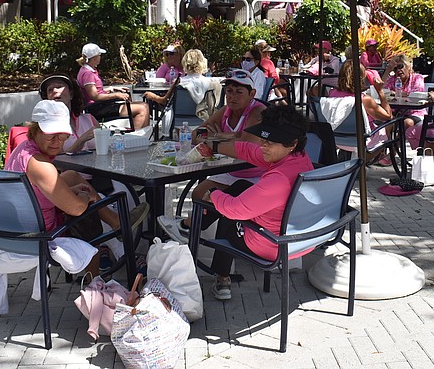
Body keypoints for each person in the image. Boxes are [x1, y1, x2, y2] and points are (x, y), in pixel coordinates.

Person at [4, 100, 148, 276]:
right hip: (41, 233)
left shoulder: (22, 149)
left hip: (22, 219)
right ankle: (93, 283)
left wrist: (75, 192)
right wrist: (87, 197)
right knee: (87, 214)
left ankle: (115, 222)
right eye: (51, 135)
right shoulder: (40, 165)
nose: (57, 142)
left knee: (71, 176)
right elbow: (77, 208)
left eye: (62, 135)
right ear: (35, 130)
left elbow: (37, 190)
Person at [192, 105, 313, 300]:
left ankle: (221, 277)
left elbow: (234, 210)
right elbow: (248, 150)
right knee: (240, 185)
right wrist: (212, 145)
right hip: (299, 236)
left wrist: (213, 193)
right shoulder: (297, 157)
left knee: (228, 214)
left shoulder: (279, 179)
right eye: (263, 139)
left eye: (270, 142)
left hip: (273, 245)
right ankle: (197, 224)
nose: (263, 145)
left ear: (292, 143)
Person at [158, 71, 267, 244]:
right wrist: (226, 137)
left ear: (252, 94)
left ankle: (191, 230)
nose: (232, 97)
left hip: (255, 173)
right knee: (199, 194)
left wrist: (221, 136)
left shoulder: (258, 111)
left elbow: (247, 142)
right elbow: (196, 134)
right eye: (229, 91)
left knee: (217, 200)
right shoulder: (225, 111)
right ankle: (191, 232)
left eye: (239, 92)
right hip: (231, 169)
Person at [76, 43, 150, 130]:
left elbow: (96, 90)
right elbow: (94, 96)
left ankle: (138, 132)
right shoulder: (88, 74)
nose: (100, 57)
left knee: (143, 105)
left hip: (100, 105)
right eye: (99, 55)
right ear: (95, 57)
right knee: (142, 108)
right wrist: (116, 95)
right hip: (97, 108)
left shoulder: (89, 71)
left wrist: (112, 88)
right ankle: (137, 135)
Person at [39, 74, 98, 153]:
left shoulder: (89, 119)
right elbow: (57, 159)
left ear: (71, 94)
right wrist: (81, 140)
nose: (54, 91)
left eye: (59, 86)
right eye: (50, 89)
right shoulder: (47, 127)